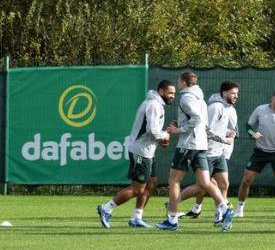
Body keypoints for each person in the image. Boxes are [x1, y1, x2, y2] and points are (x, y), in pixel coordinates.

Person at [156, 71, 235, 231]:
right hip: (201, 145)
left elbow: (197, 119)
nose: (177, 84)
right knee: (205, 183)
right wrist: (180, 123)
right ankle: (225, 209)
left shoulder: (186, 97)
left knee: (174, 181)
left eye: (179, 81)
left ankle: (172, 220)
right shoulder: (201, 99)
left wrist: (178, 130)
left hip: (187, 145)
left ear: (183, 82)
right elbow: (201, 122)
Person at [97, 80, 175, 228]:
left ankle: (136, 217)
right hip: (141, 151)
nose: (172, 96)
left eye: (174, 93)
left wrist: (162, 138)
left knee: (151, 184)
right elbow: (152, 130)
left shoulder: (156, 104)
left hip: (147, 151)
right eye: (170, 93)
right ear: (161, 91)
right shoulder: (153, 105)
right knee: (137, 188)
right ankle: (106, 209)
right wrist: (164, 136)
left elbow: (151, 131)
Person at [180, 81, 239, 225]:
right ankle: (173, 202)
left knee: (224, 184)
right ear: (224, 93)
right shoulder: (215, 107)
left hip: (219, 153)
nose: (236, 96)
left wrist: (227, 132)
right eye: (233, 93)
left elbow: (218, 129)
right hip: (207, 152)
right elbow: (206, 130)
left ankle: (219, 215)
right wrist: (225, 139)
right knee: (201, 186)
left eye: (237, 94)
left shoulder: (227, 108)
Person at [237, 88, 275, 220]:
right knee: (246, 180)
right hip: (260, 152)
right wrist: (253, 134)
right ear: (272, 98)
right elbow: (248, 125)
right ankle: (239, 208)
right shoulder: (260, 109)